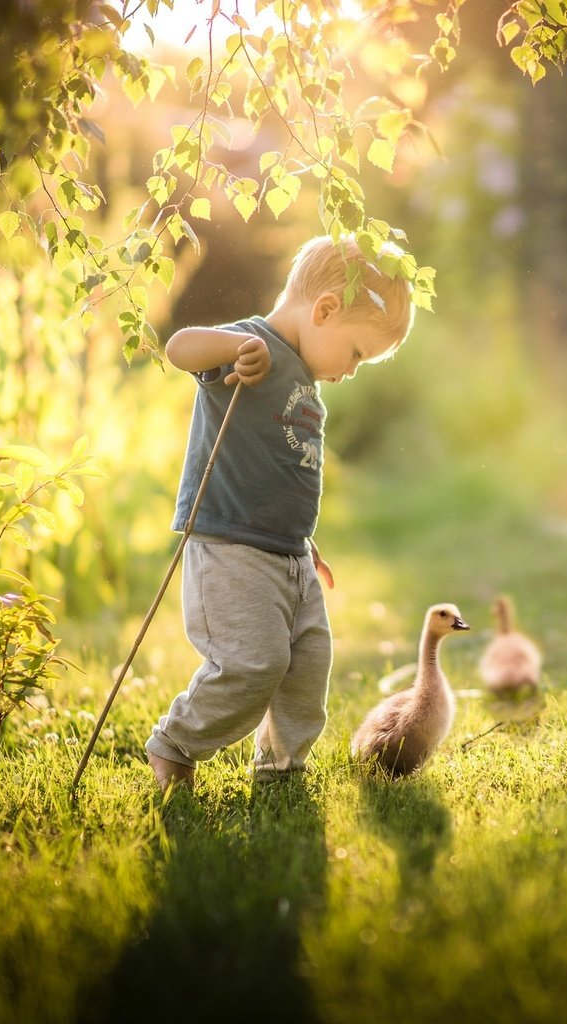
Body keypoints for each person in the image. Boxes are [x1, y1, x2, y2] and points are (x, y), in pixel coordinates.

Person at [144, 234, 414, 791]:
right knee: (254, 664)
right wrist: (231, 350)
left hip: (288, 554)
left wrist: (303, 538)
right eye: (359, 353)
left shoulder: (307, 381)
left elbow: (283, 468)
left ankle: (282, 767)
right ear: (325, 310)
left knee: (308, 666)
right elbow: (179, 348)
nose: (353, 371)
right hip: (231, 547)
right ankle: (176, 744)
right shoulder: (251, 344)